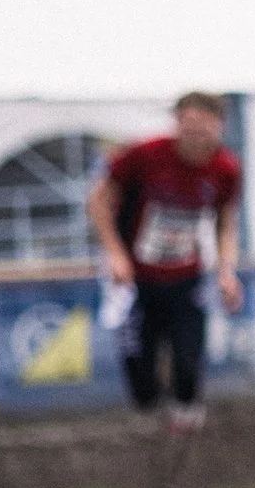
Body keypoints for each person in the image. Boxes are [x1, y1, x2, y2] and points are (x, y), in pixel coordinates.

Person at [88, 92, 244, 432]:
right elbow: (98, 200)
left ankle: (186, 438)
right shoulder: (144, 156)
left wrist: (226, 272)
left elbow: (226, 224)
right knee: (141, 378)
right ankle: (149, 418)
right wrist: (115, 254)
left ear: (220, 127)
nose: (197, 137)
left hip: (186, 276)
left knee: (189, 364)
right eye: (189, 127)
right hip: (135, 279)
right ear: (177, 123)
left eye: (205, 128)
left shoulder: (226, 169)